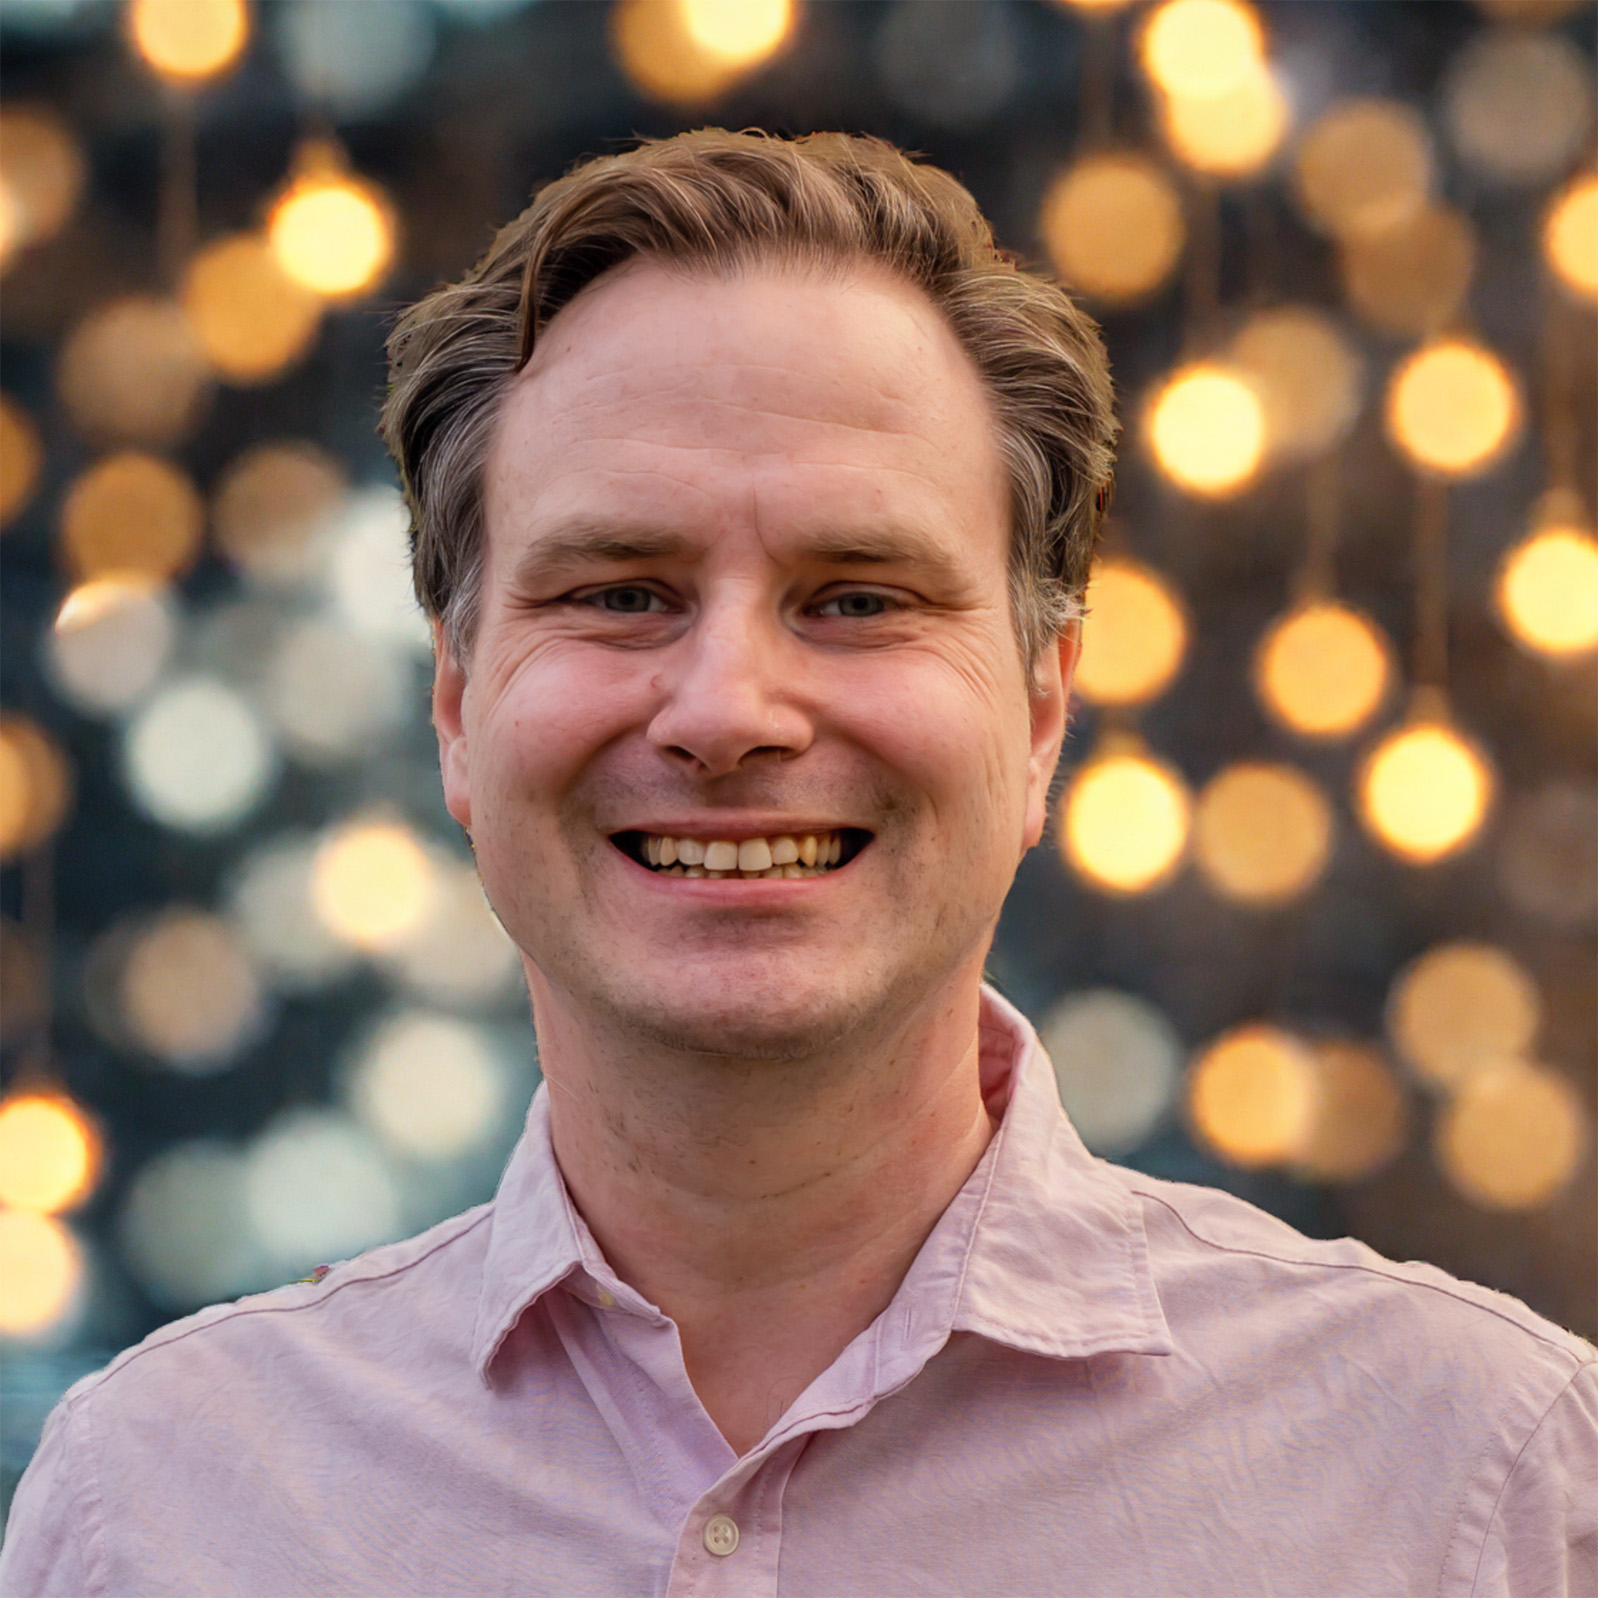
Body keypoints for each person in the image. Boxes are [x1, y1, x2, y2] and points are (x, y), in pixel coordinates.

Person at [2, 129, 1593, 1598]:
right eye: (621, 591)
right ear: (454, 713)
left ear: (1039, 714)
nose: (725, 712)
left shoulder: (1469, 1481)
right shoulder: (163, 1504)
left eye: (855, 596)